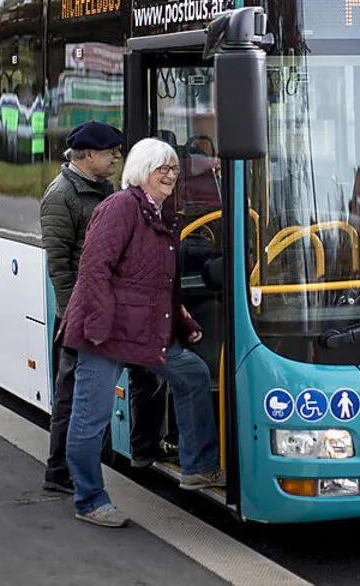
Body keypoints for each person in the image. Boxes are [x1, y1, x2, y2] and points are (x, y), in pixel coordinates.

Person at [62, 137, 224, 528]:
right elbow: (94, 270)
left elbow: (160, 285)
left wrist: (184, 323)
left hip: (143, 330)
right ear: (141, 173)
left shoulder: (162, 212)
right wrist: (97, 327)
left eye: (174, 168)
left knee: (193, 375)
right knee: (90, 416)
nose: (170, 175)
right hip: (106, 333)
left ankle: (197, 467)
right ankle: (89, 499)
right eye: (162, 169)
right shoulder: (120, 208)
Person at [40, 121, 123, 495]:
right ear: (88, 155)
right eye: (110, 153)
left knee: (90, 392)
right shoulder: (61, 196)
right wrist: (76, 315)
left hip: (101, 310)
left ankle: (90, 462)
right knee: (72, 394)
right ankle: (59, 471)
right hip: (78, 315)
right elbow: (59, 266)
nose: (117, 158)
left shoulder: (102, 189)